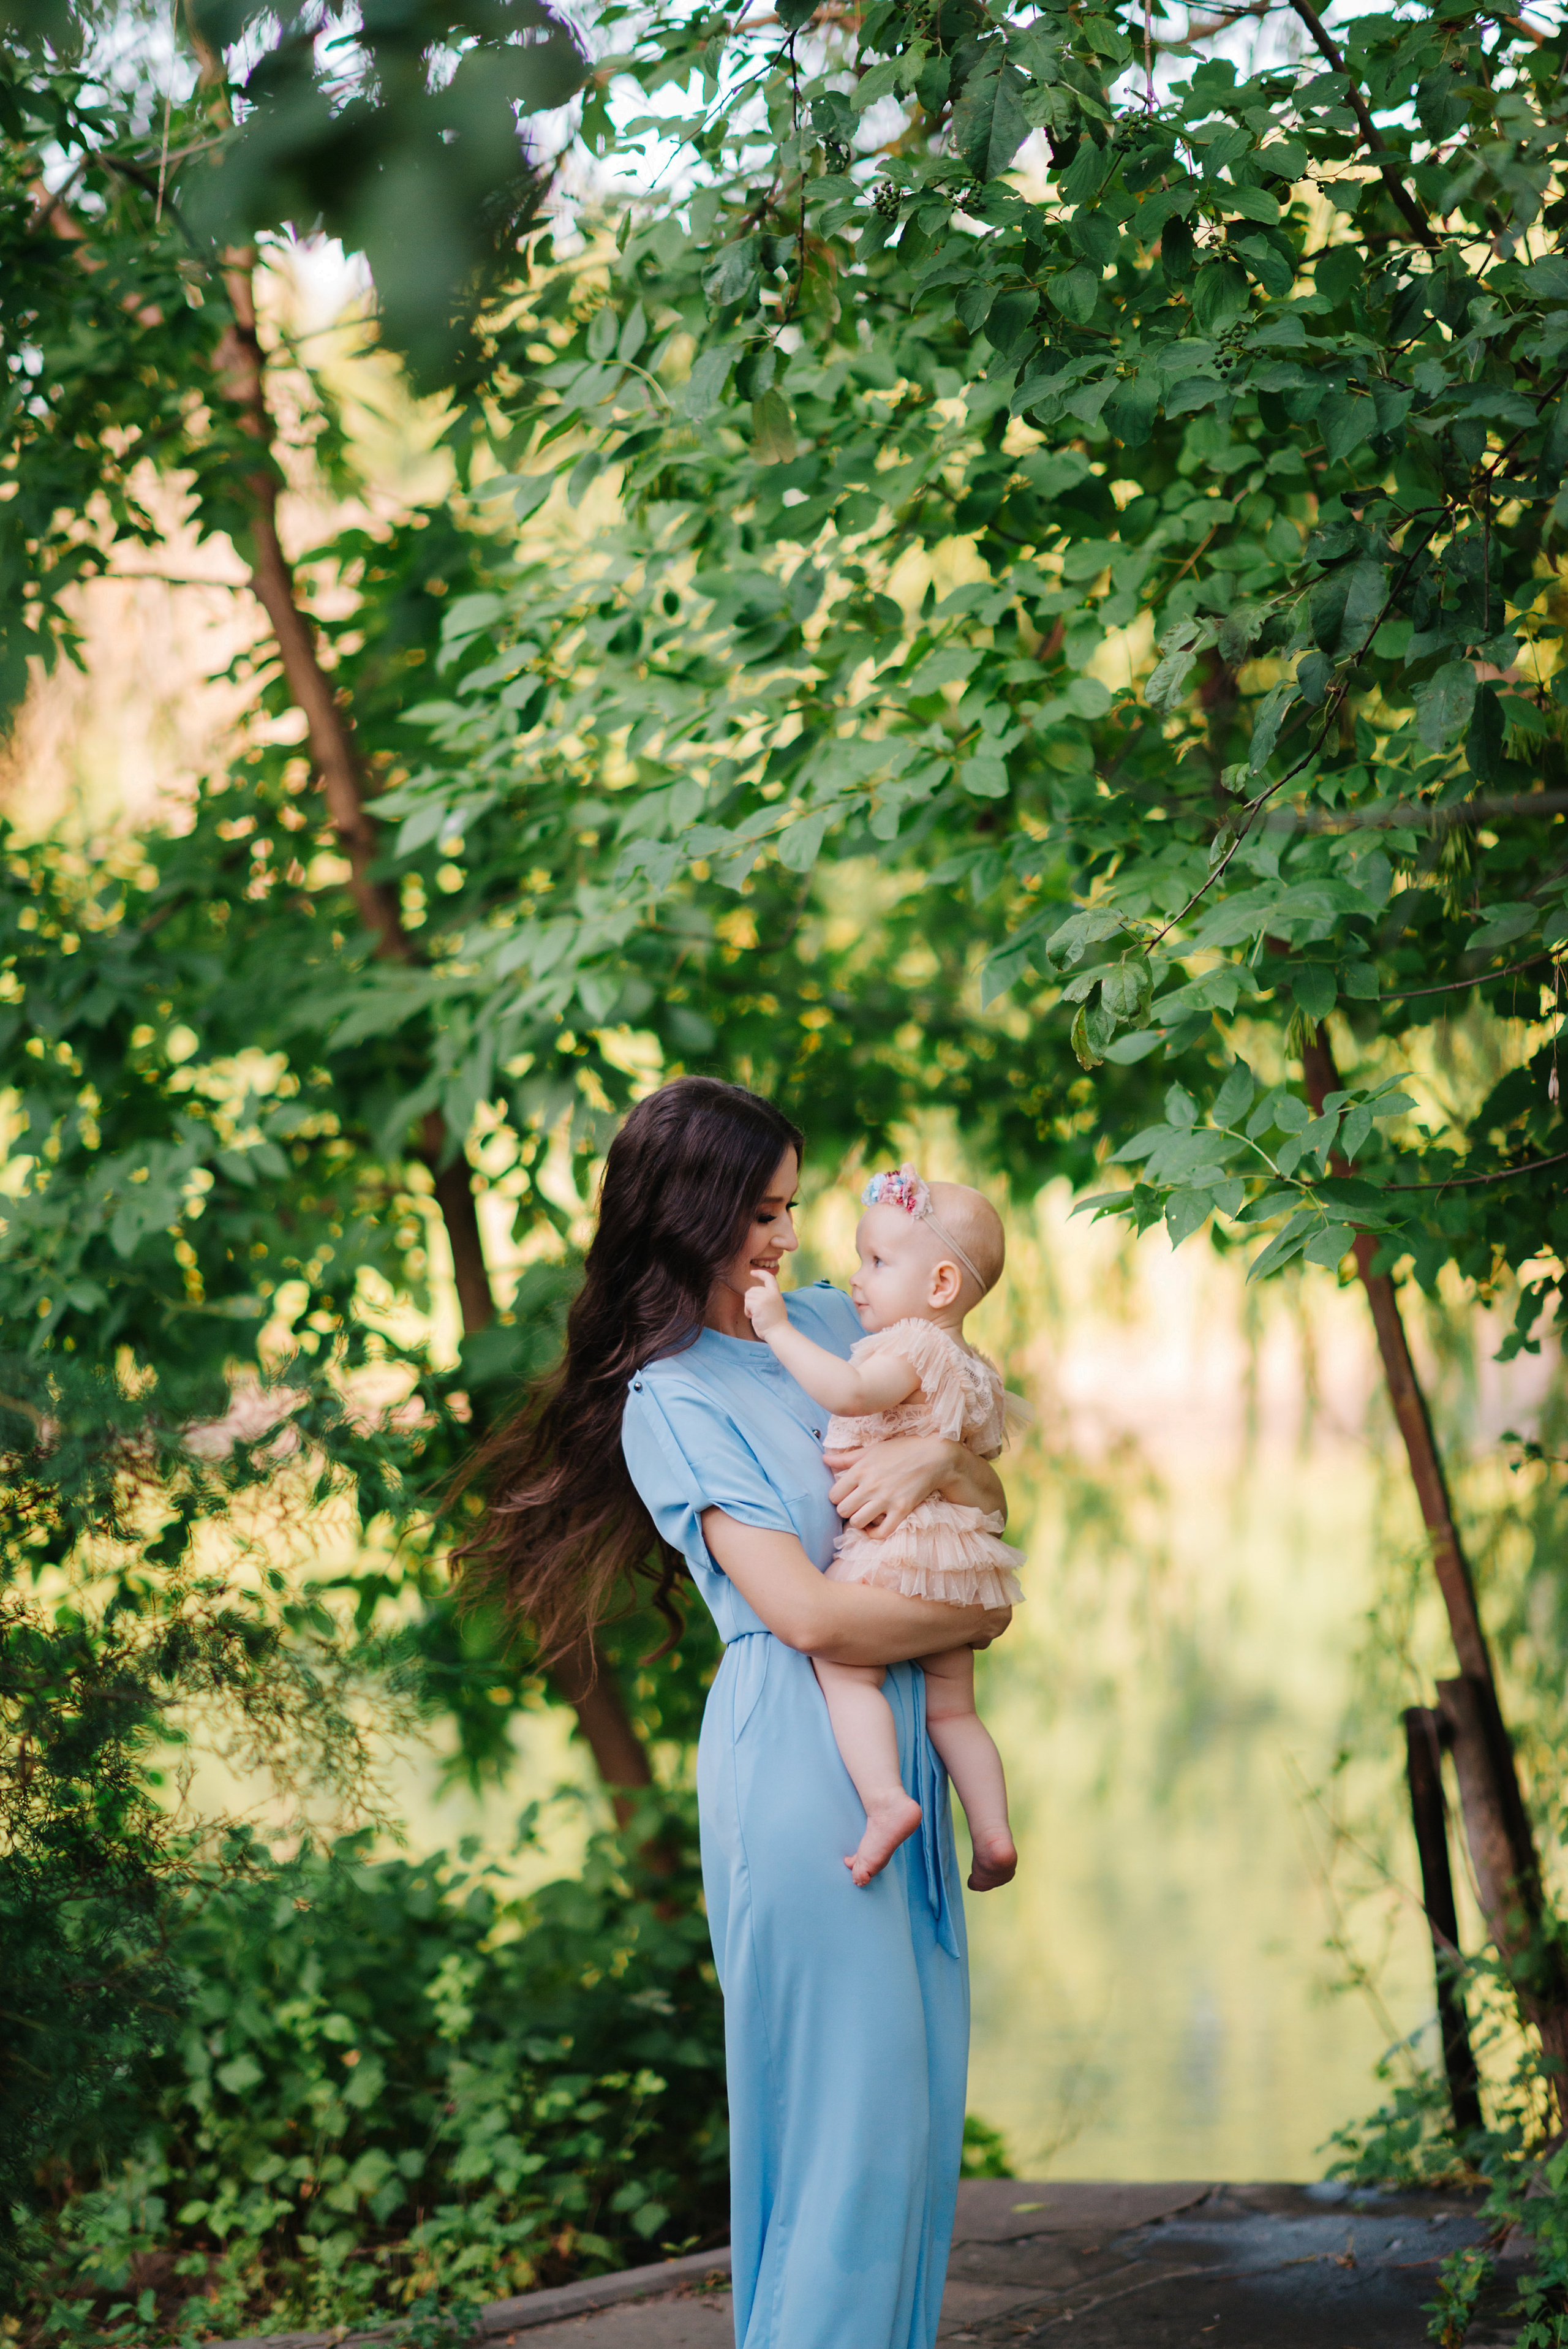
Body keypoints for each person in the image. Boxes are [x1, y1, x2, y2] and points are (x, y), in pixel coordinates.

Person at [461, 1077, 1013, 2349]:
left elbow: (975, 1464)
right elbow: (806, 1615)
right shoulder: (672, 1402)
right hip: (801, 1760)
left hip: (899, 1748)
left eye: (792, 1208)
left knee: (913, 2121)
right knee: (849, 2130)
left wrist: (948, 1462)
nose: (788, 1238)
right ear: (689, 1214)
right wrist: (975, 1617)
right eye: (762, 1214)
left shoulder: (831, 1320)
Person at [742, 1163, 1023, 1895]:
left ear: (940, 1286)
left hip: (898, 1547)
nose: (855, 1278)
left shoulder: (911, 1346)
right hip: (957, 1561)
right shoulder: (973, 1367)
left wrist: (776, 1328)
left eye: (876, 1262)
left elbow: (848, 1391)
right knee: (953, 1710)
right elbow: (979, 1467)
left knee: (845, 1670)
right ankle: (993, 1832)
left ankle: (885, 1799)